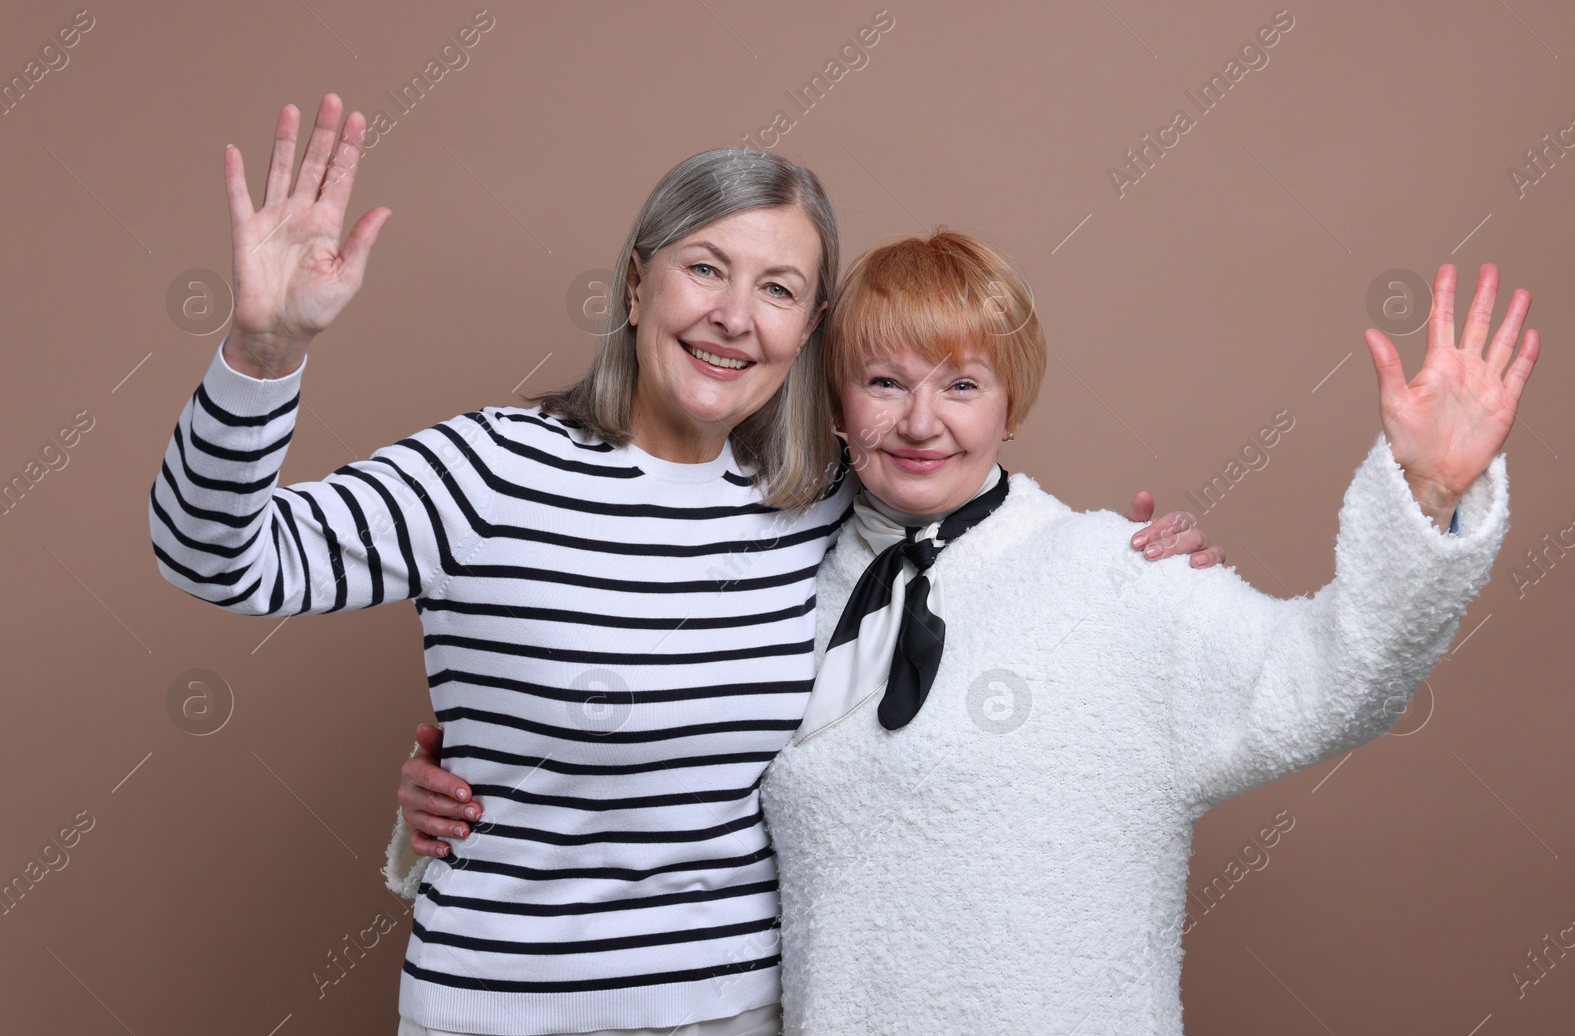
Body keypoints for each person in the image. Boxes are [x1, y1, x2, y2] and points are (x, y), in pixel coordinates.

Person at [149, 94, 1209, 1036]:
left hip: (740, 1005)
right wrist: (263, 350)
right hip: (500, 1007)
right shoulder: (486, 466)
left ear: (808, 331)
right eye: (705, 267)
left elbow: (978, 578)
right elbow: (220, 557)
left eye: (779, 287)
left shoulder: (821, 505)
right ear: (635, 282)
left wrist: (1130, 567)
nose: (734, 315)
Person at [393, 230, 1537, 1034]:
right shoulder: (774, 579)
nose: (921, 420)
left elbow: (1332, 678)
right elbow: (643, 761)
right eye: (883, 381)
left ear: (1011, 399)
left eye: (961, 382)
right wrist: (452, 779)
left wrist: (1421, 493)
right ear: (835, 401)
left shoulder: (1115, 571)